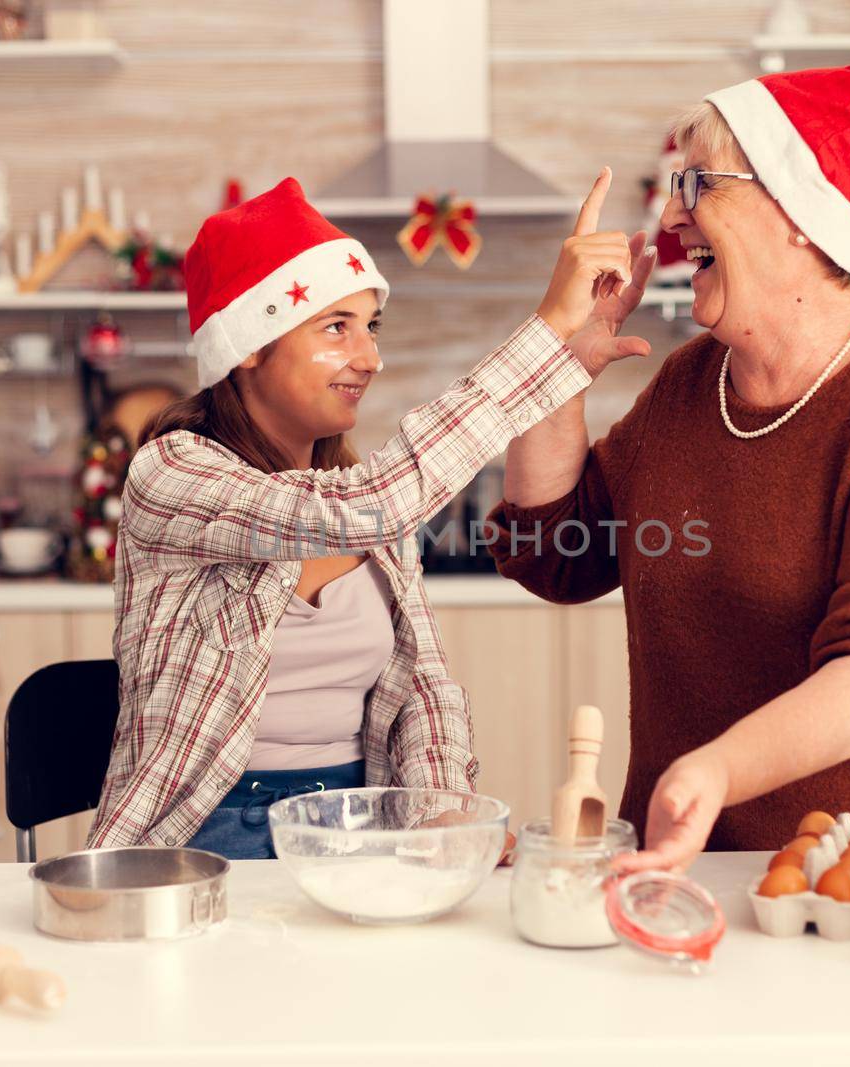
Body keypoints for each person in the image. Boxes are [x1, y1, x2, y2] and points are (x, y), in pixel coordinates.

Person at [489, 65, 850, 871]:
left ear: (799, 214)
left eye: (699, 183)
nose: (668, 214)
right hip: (688, 864)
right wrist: (557, 365)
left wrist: (719, 766)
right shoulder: (692, 384)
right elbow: (556, 550)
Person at [87, 171, 651, 857]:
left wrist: (443, 813)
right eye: (337, 327)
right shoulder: (173, 472)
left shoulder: (356, 494)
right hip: (205, 843)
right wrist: (548, 327)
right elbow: (377, 506)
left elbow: (423, 687)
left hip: (362, 829)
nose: (371, 357)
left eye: (371, 327)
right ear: (249, 347)